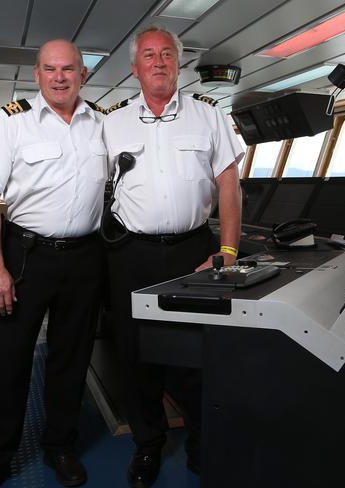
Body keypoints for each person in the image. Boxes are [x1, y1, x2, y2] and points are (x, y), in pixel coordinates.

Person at [102, 25, 243, 488]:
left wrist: (227, 249)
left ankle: (204, 443)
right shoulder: (112, 122)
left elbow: (228, 184)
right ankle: (148, 445)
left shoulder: (210, 116)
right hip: (130, 253)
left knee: (195, 355)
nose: (159, 61)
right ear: (135, 67)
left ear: (177, 64)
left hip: (192, 252)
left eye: (167, 54)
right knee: (135, 355)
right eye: (149, 54)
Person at [0, 39, 107, 488]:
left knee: (71, 358)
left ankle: (60, 447)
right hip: (26, 255)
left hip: (86, 257)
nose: (59, 77)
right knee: (11, 360)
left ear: (83, 74)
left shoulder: (102, 124)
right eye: (50, 69)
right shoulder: (12, 122)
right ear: (36, 73)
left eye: (68, 69)